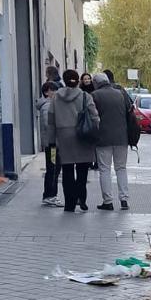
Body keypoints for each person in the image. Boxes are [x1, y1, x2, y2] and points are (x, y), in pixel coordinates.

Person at [47, 69, 99, 213]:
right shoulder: (85, 96)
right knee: (82, 171)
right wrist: (95, 130)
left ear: (64, 80)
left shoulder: (56, 98)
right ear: (78, 81)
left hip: (63, 137)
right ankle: (81, 198)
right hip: (82, 136)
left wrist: (51, 140)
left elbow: (50, 120)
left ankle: (69, 204)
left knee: (67, 171)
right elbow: (95, 116)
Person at [90, 72, 134, 211]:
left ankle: (108, 201)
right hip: (122, 137)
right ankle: (124, 200)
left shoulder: (95, 95)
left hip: (103, 137)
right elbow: (130, 110)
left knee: (104, 169)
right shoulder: (121, 93)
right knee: (121, 168)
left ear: (96, 83)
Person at [36, 81, 62, 207]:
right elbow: (48, 123)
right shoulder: (47, 105)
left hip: (53, 143)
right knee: (53, 169)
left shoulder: (50, 104)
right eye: (54, 90)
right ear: (47, 92)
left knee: (55, 168)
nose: (56, 93)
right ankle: (50, 195)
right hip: (52, 144)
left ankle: (50, 195)